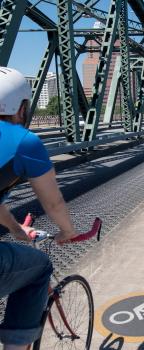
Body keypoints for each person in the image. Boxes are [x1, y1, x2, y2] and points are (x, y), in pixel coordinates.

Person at [0, 67, 77, 350]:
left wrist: (16, 229)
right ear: (21, 107)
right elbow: (53, 202)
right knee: (39, 267)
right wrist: (67, 231)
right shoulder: (24, 141)